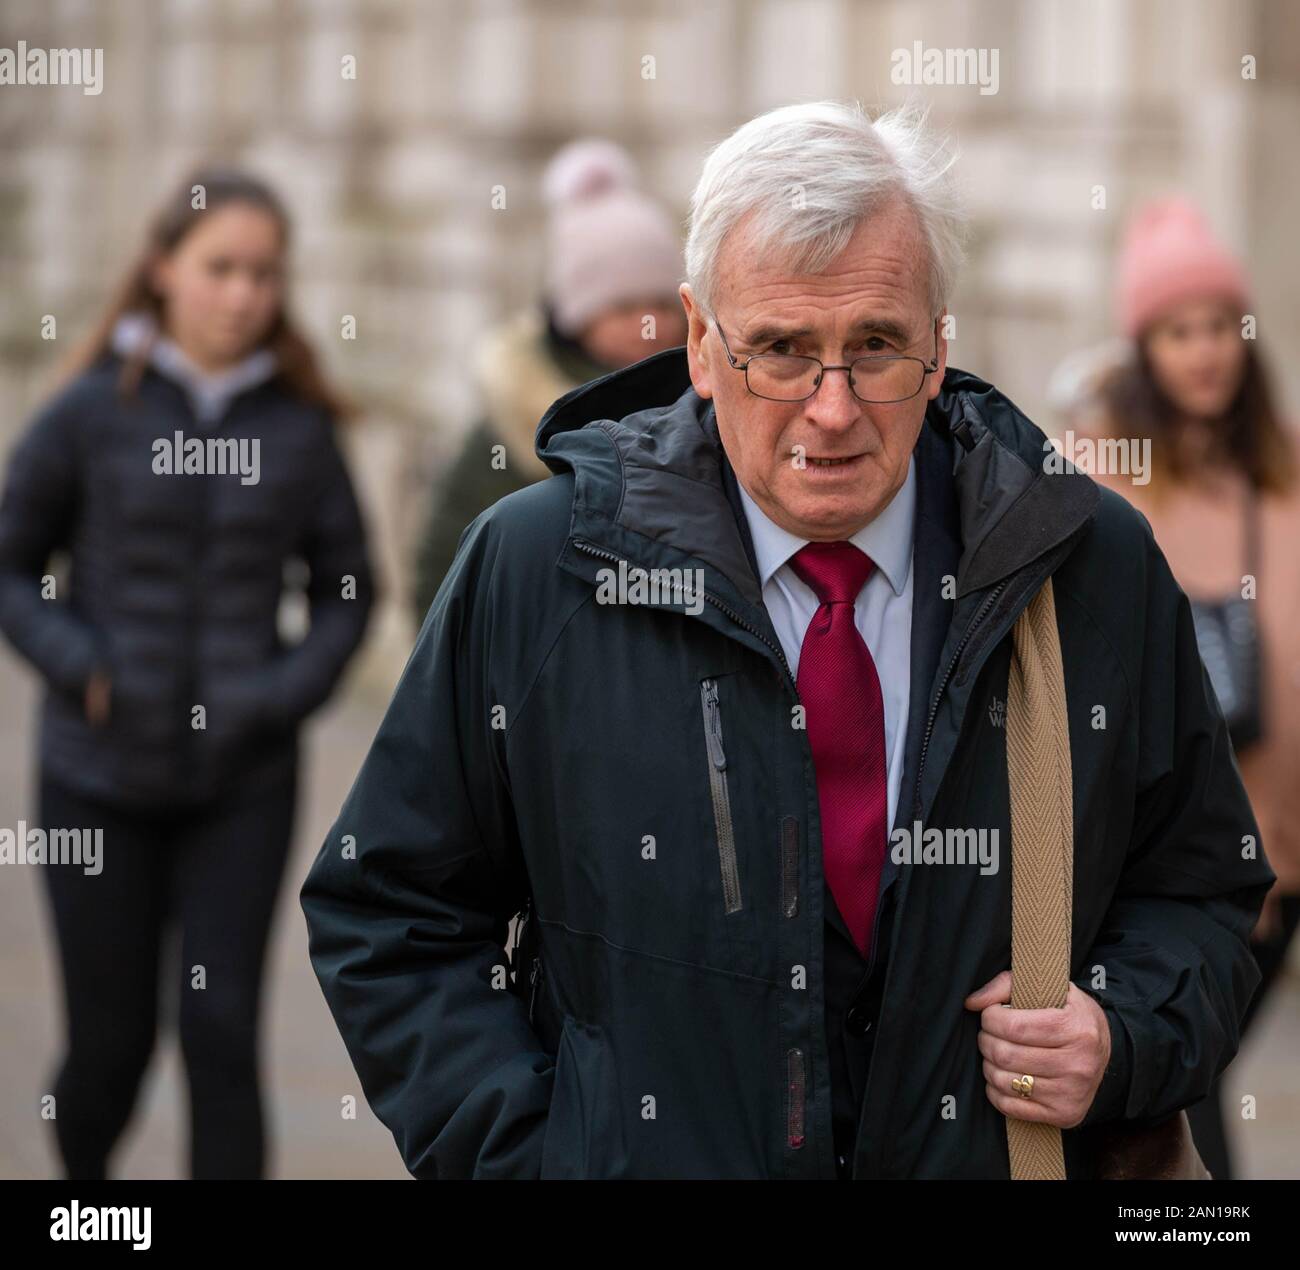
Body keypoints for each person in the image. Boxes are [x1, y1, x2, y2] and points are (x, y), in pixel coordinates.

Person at [299, 102, 1272, 1179]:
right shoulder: (537, 572)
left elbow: (1204, 887)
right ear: (699, 346)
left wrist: (1123, 1031)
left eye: (876, 347)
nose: (832, 409)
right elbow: (387, 911)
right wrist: (539, 1157)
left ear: (940, 346)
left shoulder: (1092, 567)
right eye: (780, 352)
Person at [0, 167, 376, 1179]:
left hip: (240, 786)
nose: (244, 293)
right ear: (163, 269)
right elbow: (11, 563)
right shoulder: (88, 412)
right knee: (108, 1051)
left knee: (220, 1037)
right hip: (96, 775)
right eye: (221, 268)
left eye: (264, 272)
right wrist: (83, 666)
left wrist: (277, 696)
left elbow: (349, 589)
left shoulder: (300, 428)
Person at [1059, 197, 1300, 1179]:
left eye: (1219, 327)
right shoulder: (1101, 475)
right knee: (1190, 1108)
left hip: (1284, 856)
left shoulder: (1281, 472)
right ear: (1141, 346)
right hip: (1170, 864)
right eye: (1176, 330)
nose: (1204, 352)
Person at [411, 137, 686, 621]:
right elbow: (442, 570)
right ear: (576, 318)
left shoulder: (701, 398)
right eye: (623, 306)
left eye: (662, 304)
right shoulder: (513, 419)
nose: (651, 323)